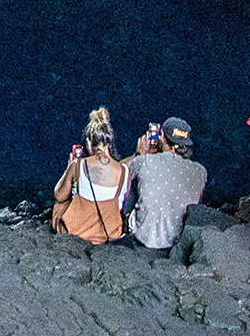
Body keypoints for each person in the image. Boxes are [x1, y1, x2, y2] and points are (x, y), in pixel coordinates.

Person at [130, 120, 206, 260]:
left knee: (131, 190)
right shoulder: (200, 172)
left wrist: (139, 155)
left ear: (162, 137)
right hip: (175, 241)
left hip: (142, 237)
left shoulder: (144, 161)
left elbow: (117, 173)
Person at [54, 109, 129, 244]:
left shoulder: (78, 165)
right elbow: (119, 204)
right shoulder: (124, 170)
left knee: (61, 203)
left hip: (78, 232)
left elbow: (59, 195)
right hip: (109, 233)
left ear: (89, 142)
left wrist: (69, 168)